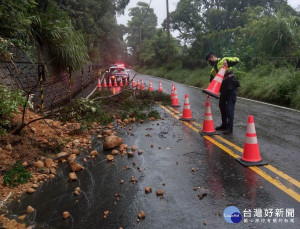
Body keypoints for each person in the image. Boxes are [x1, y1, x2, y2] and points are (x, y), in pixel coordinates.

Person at [205, 52, 240, 135]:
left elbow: (236, 59)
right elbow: (212, 82)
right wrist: (209, 92)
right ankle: (224, 125)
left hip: (231, 88)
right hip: (223, 90)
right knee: (222, 106)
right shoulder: (213, 70)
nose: (210, 62)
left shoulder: (224, 60)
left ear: (213, 57)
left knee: (229, 109)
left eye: (210, 60)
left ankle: (230, 128)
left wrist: (227, 62)